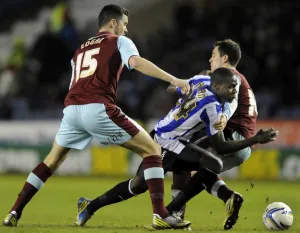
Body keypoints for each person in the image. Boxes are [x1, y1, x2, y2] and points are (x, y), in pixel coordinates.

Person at [3, 4, 191, 230]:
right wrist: (174, 79)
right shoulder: (118, 41)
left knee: (50, 162)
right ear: (113, 23)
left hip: (72, 110)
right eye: (125, 24)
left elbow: (76, 80)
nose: (126, 30)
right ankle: (160, 213)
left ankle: (14, 211)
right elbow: (136, 63)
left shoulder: (80, 48)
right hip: (97, 108)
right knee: (153, 150)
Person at [74, 68, 277, 230]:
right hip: (164, 142)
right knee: (139, 185)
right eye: (231, 88)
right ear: (216, 86)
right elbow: (221, 146)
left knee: (208, 164)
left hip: (173, 139)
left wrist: (184, 93)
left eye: (235, 87)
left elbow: (173, 87)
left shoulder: (201, 80)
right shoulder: (212, 107)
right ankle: (91, 206)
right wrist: (255, 139)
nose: (235, 92)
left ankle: (173, 211)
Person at [169, 39, 259, 230]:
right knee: (202, 170)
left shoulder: (231, 77)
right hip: (244, 146)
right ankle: (229, 197)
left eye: (214, 55)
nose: (210, 59)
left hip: (230, 136)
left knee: (180, 157)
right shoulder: (238, 79)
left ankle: (174, 214)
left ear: (224, 58)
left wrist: (224, 116)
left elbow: (230, 104)